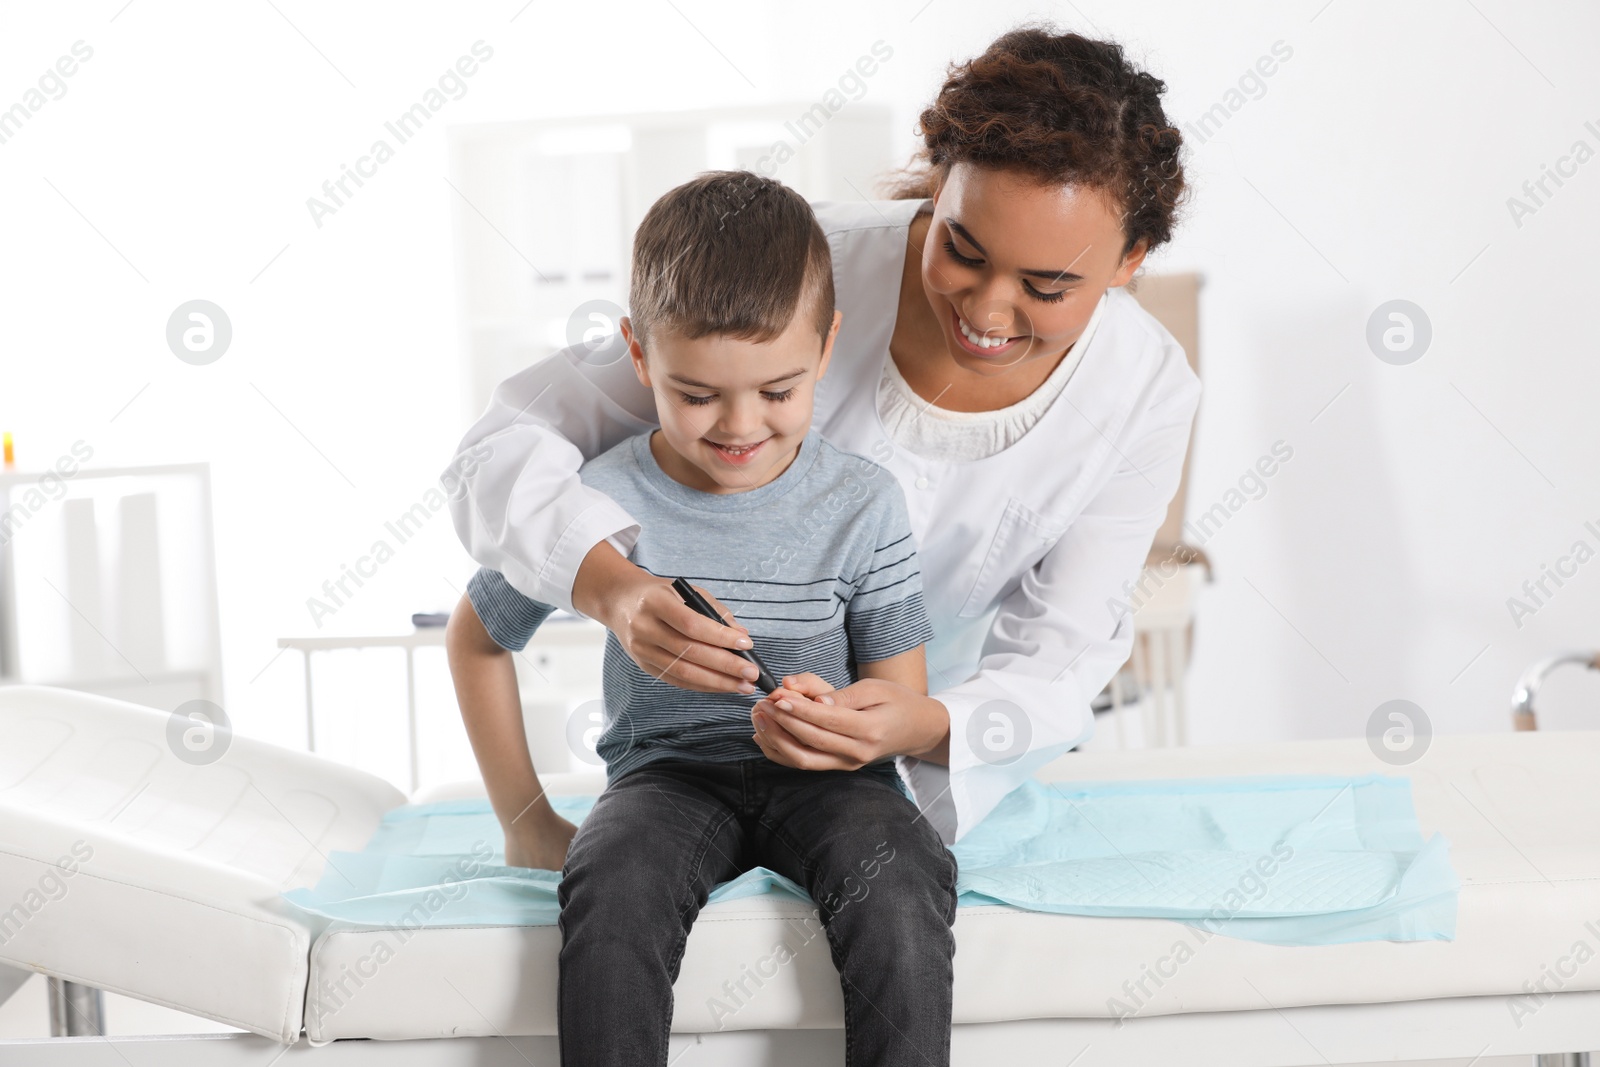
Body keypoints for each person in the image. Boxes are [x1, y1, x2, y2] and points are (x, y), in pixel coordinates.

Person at [445, 27, 1200, 849]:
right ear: (939, 186)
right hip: (690, 772)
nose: (986, 312)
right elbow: (501, 448)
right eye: (963, 248)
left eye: (1048, 286)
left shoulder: (1145, 393)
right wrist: (610, 588)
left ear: (1132, 258)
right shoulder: (797, 271)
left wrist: (921, 722)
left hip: (904, 757)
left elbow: (1066, 649)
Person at [445, 171, 958, 1067]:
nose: (738, 425)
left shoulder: (865, 504)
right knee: (610, 891)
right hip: (664, 781)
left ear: (828, 346)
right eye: (696, 394)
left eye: (776, 390)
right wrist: (526, 819)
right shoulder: (595, 508)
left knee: (905, 880)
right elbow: (476, 637)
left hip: (838, 786)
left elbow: (903, 705)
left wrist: (848, 726)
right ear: (637, 357)